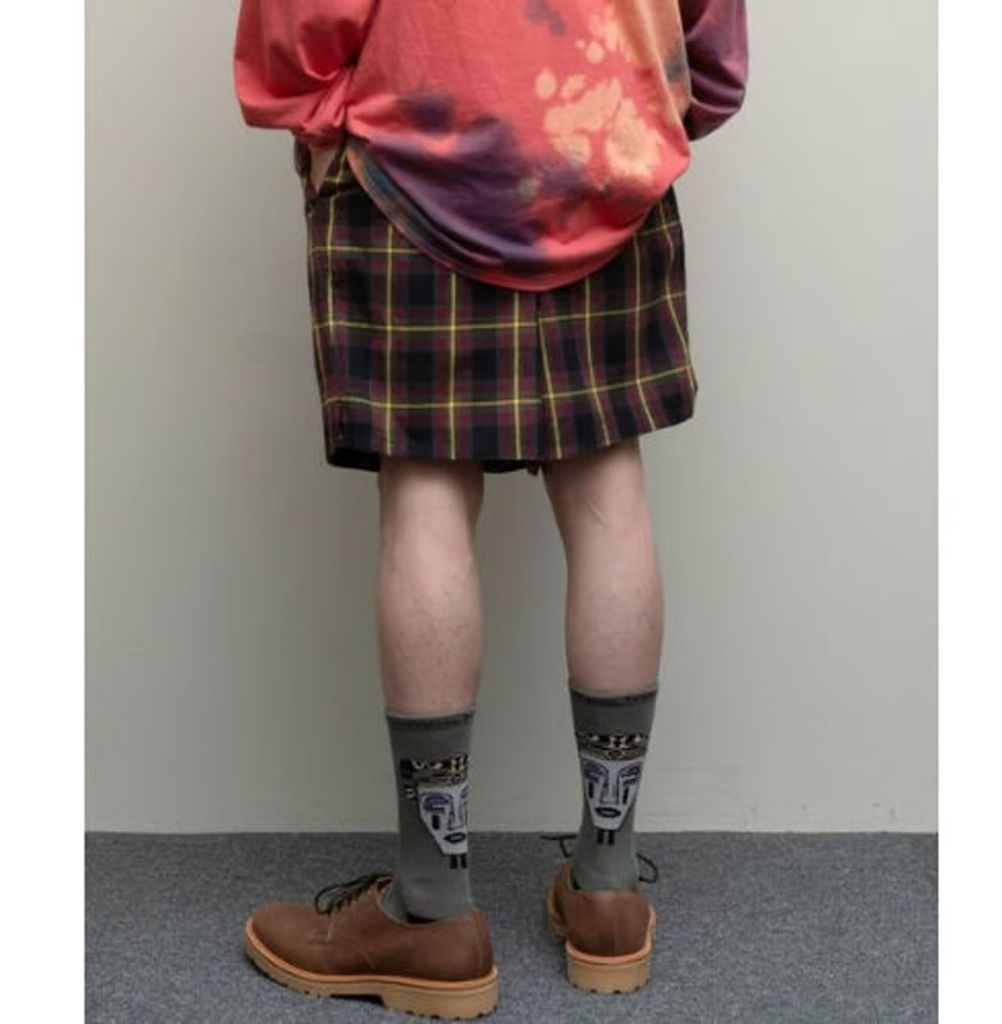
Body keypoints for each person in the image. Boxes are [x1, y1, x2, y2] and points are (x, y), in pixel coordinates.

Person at [232, 1, 748, 1017]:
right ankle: (608, 890)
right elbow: (712, 44)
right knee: (607, 491)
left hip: (414, 160)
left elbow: (299, 24)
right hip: (602, 147)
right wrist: (634, 114)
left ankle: (433, 913)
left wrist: (321, 113)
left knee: (426, 490)